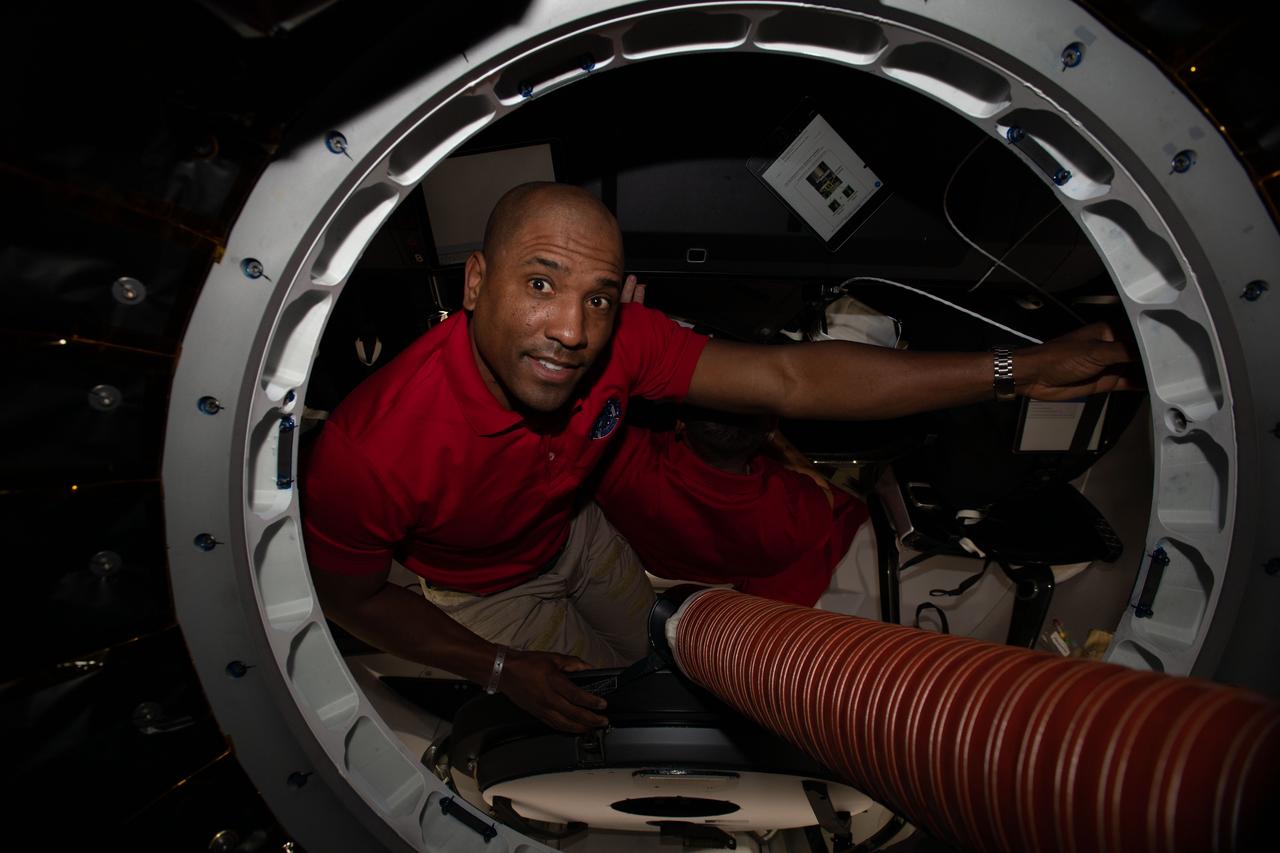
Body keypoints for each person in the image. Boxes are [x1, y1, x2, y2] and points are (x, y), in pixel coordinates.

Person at [302, 182, 1135, 733]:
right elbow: (354, 599)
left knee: (656, 649)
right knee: (607, 704)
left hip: (576, 536)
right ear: (477, 281)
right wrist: (495, 666)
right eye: (542, 283)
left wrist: (1014, 369)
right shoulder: (368, 450)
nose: (573, 329)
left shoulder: (619, 343)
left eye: (598, 295)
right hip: (482, 595)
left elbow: (787, 375)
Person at [591, 405, 868, 607]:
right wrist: (776, 438)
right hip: (719, 570)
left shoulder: (624, 462)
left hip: (659, 561)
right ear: (766, 430)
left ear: (680, 423)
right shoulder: (790, 512)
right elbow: (820, 490)